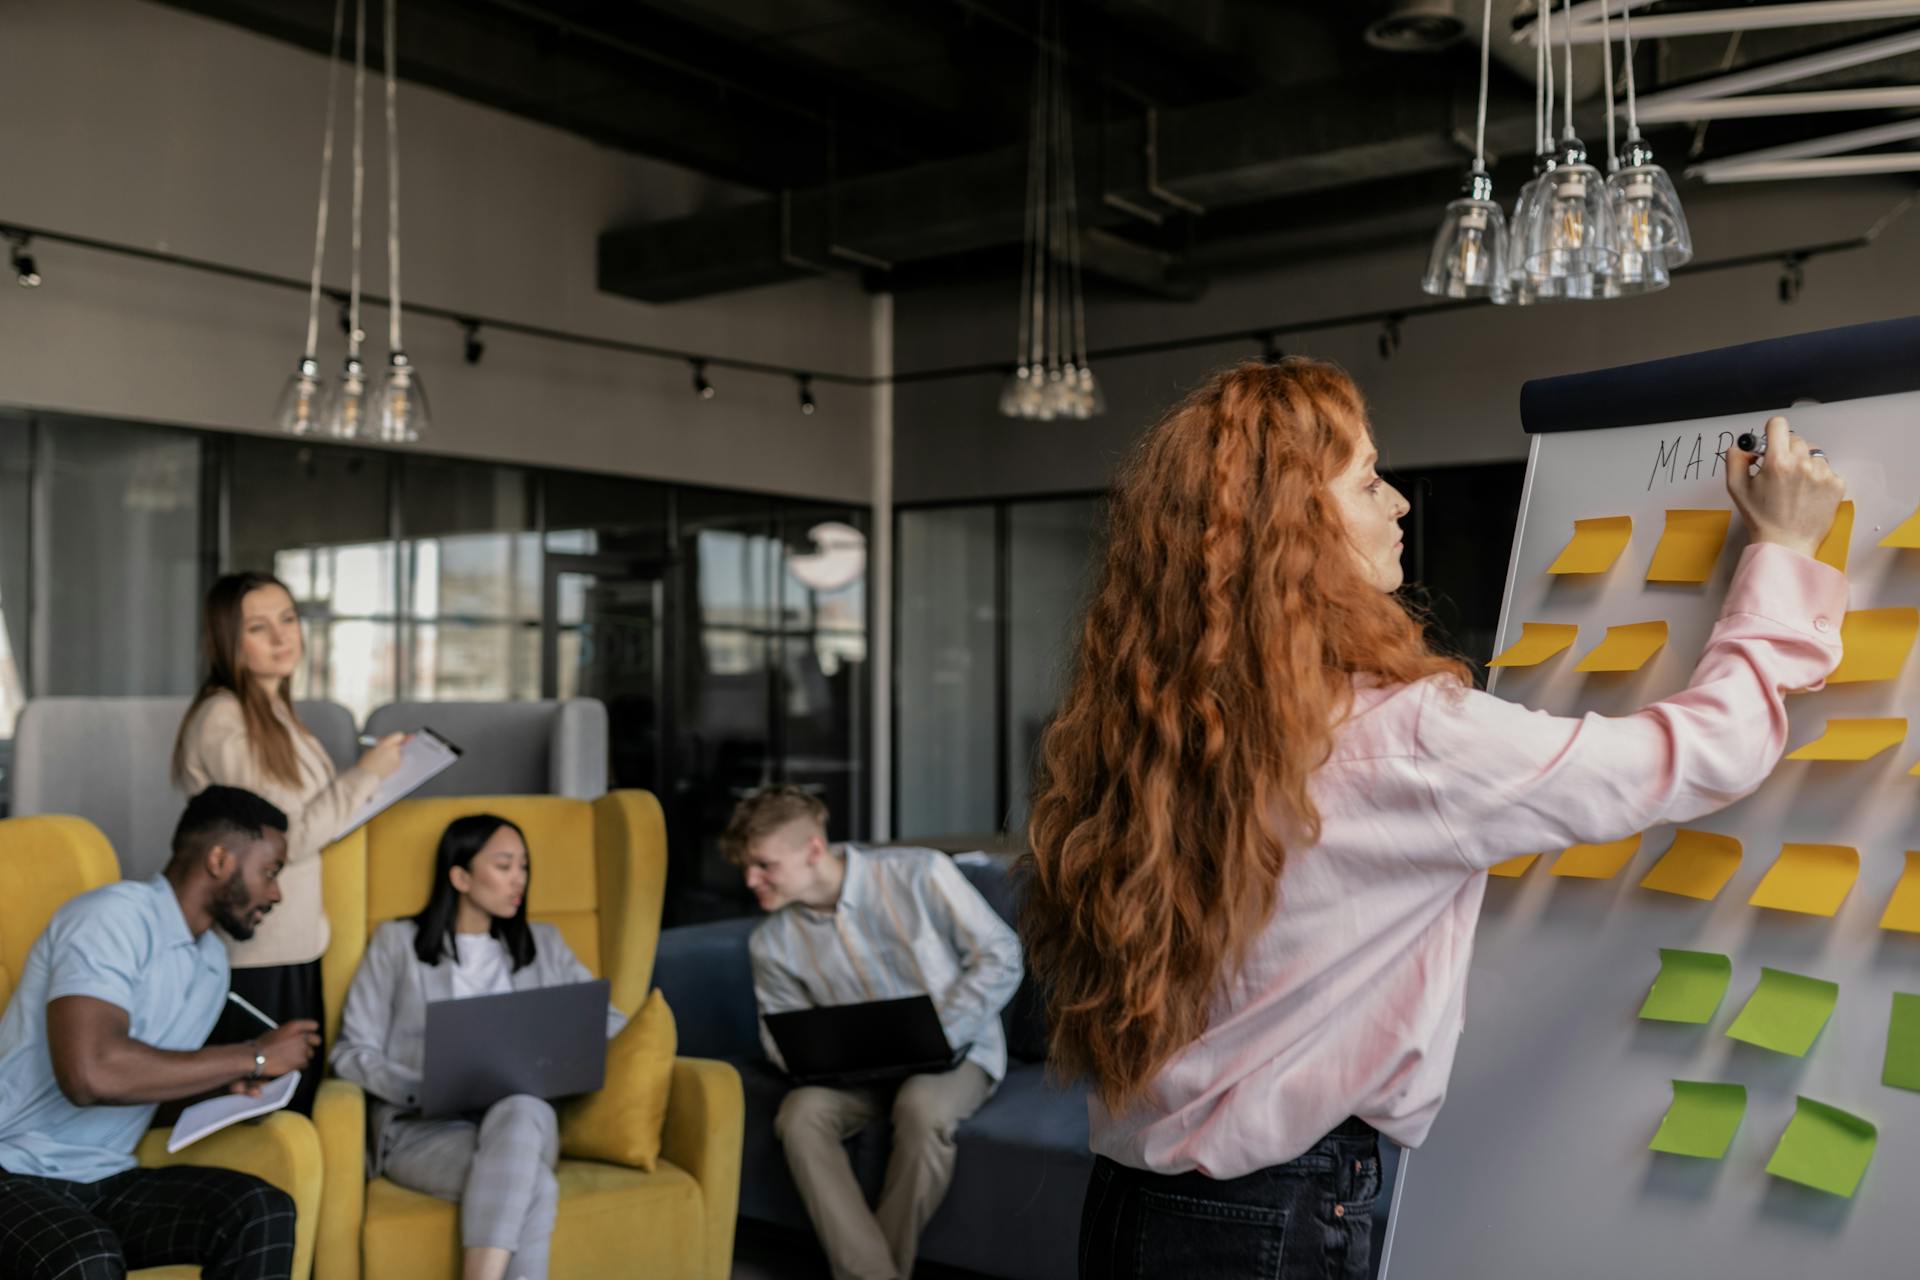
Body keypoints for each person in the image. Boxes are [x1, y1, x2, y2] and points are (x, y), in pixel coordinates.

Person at [1019, 360, 1848, 1280]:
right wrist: (1786, 552)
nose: (1400, 504)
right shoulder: (1403, 739)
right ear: (1296, 528)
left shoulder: (1161, 731)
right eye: (1369, 480)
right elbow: (1704, 753)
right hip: (1270, 1218)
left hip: (1134, 1205)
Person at [0, 785, 321, 1280]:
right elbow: (90, 1076)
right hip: (13, 1172)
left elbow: (139, 1084)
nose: (275, 893)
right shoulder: (112, 917)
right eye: (270, 871)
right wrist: (252, 1056)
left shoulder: (211, 962)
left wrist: (223, 1090)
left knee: (260, 1210)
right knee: (87, 1254)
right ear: (219, 859)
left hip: (104, 1177)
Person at [725, 785, 1024, 1280]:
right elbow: (779, 1038)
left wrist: (942, 1030)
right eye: (746, 866)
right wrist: (813, 1056)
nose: (750, 878)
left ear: (813, 851)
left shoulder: (919, 874)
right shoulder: (771, 942)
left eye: (764, 864)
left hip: (956, 1054)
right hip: (855, 1075)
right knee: (799, 1115)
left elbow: (1002, 955)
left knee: (922, 1109)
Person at [331, 814, 624, 1280]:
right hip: (425, 1131)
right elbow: (349, 1051)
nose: (519, 880)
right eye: (504, 865)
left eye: (524, 867)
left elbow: (607, 1018)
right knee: (535, 1186)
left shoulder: (544, 944)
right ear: (461, 876)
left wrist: (563, 1045)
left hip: (524, 1120)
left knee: (523, 1108)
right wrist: (418, 1086)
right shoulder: (397, 943)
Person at [173, 569, 408, 1115]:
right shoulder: (224, 718)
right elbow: (277, 842)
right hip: (257, 953)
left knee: (299, 1110)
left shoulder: (278, 714)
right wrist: (365, 775)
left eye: (288, 619)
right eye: (259, 627)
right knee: (269, 1118)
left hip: (297, 943)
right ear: (228, 640)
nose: (283, 638)